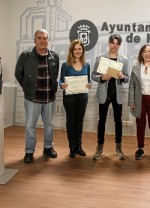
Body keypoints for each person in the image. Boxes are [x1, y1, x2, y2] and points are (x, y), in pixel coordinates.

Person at [15, 29, 59, 163]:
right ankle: (29, 151)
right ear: (34, 40)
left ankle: (48, 148)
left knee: (49, 125)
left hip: (49, 97)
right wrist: (28, 89)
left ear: (48, 40)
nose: (42, 40)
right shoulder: (25, 55)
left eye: (44, 38)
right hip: (32, 98)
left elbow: (55, 74)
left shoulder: (54, 56)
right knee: (30, 126)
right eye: (39, 38)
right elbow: (18, 73)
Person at [91, 34, 129, 160]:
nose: (115, 46)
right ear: (109, 43)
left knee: (118, 121)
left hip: (117, 95)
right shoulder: (100, 57)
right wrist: (101, 77)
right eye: (113, 43)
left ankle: (118, 148)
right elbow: (93, 75)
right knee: (102, 121)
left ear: (120, 45)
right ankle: (99, 148)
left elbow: (127, 78)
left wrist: (123, 77)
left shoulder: (124, 60)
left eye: (117, 43)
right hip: (104, 94)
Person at [59, 39, 92, 158]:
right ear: (72, 51)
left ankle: (79, 146)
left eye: (79, 49)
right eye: (75, 49)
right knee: (71, 122)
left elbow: (88, 81)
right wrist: (61, 85)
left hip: (83, 97)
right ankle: (72, 147)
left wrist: (89, 84)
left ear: (82, 50)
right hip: (69, 98)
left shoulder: (86, 65)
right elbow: (61, 80)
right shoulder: (65, 65)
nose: (77, 51)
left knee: (79, 122)